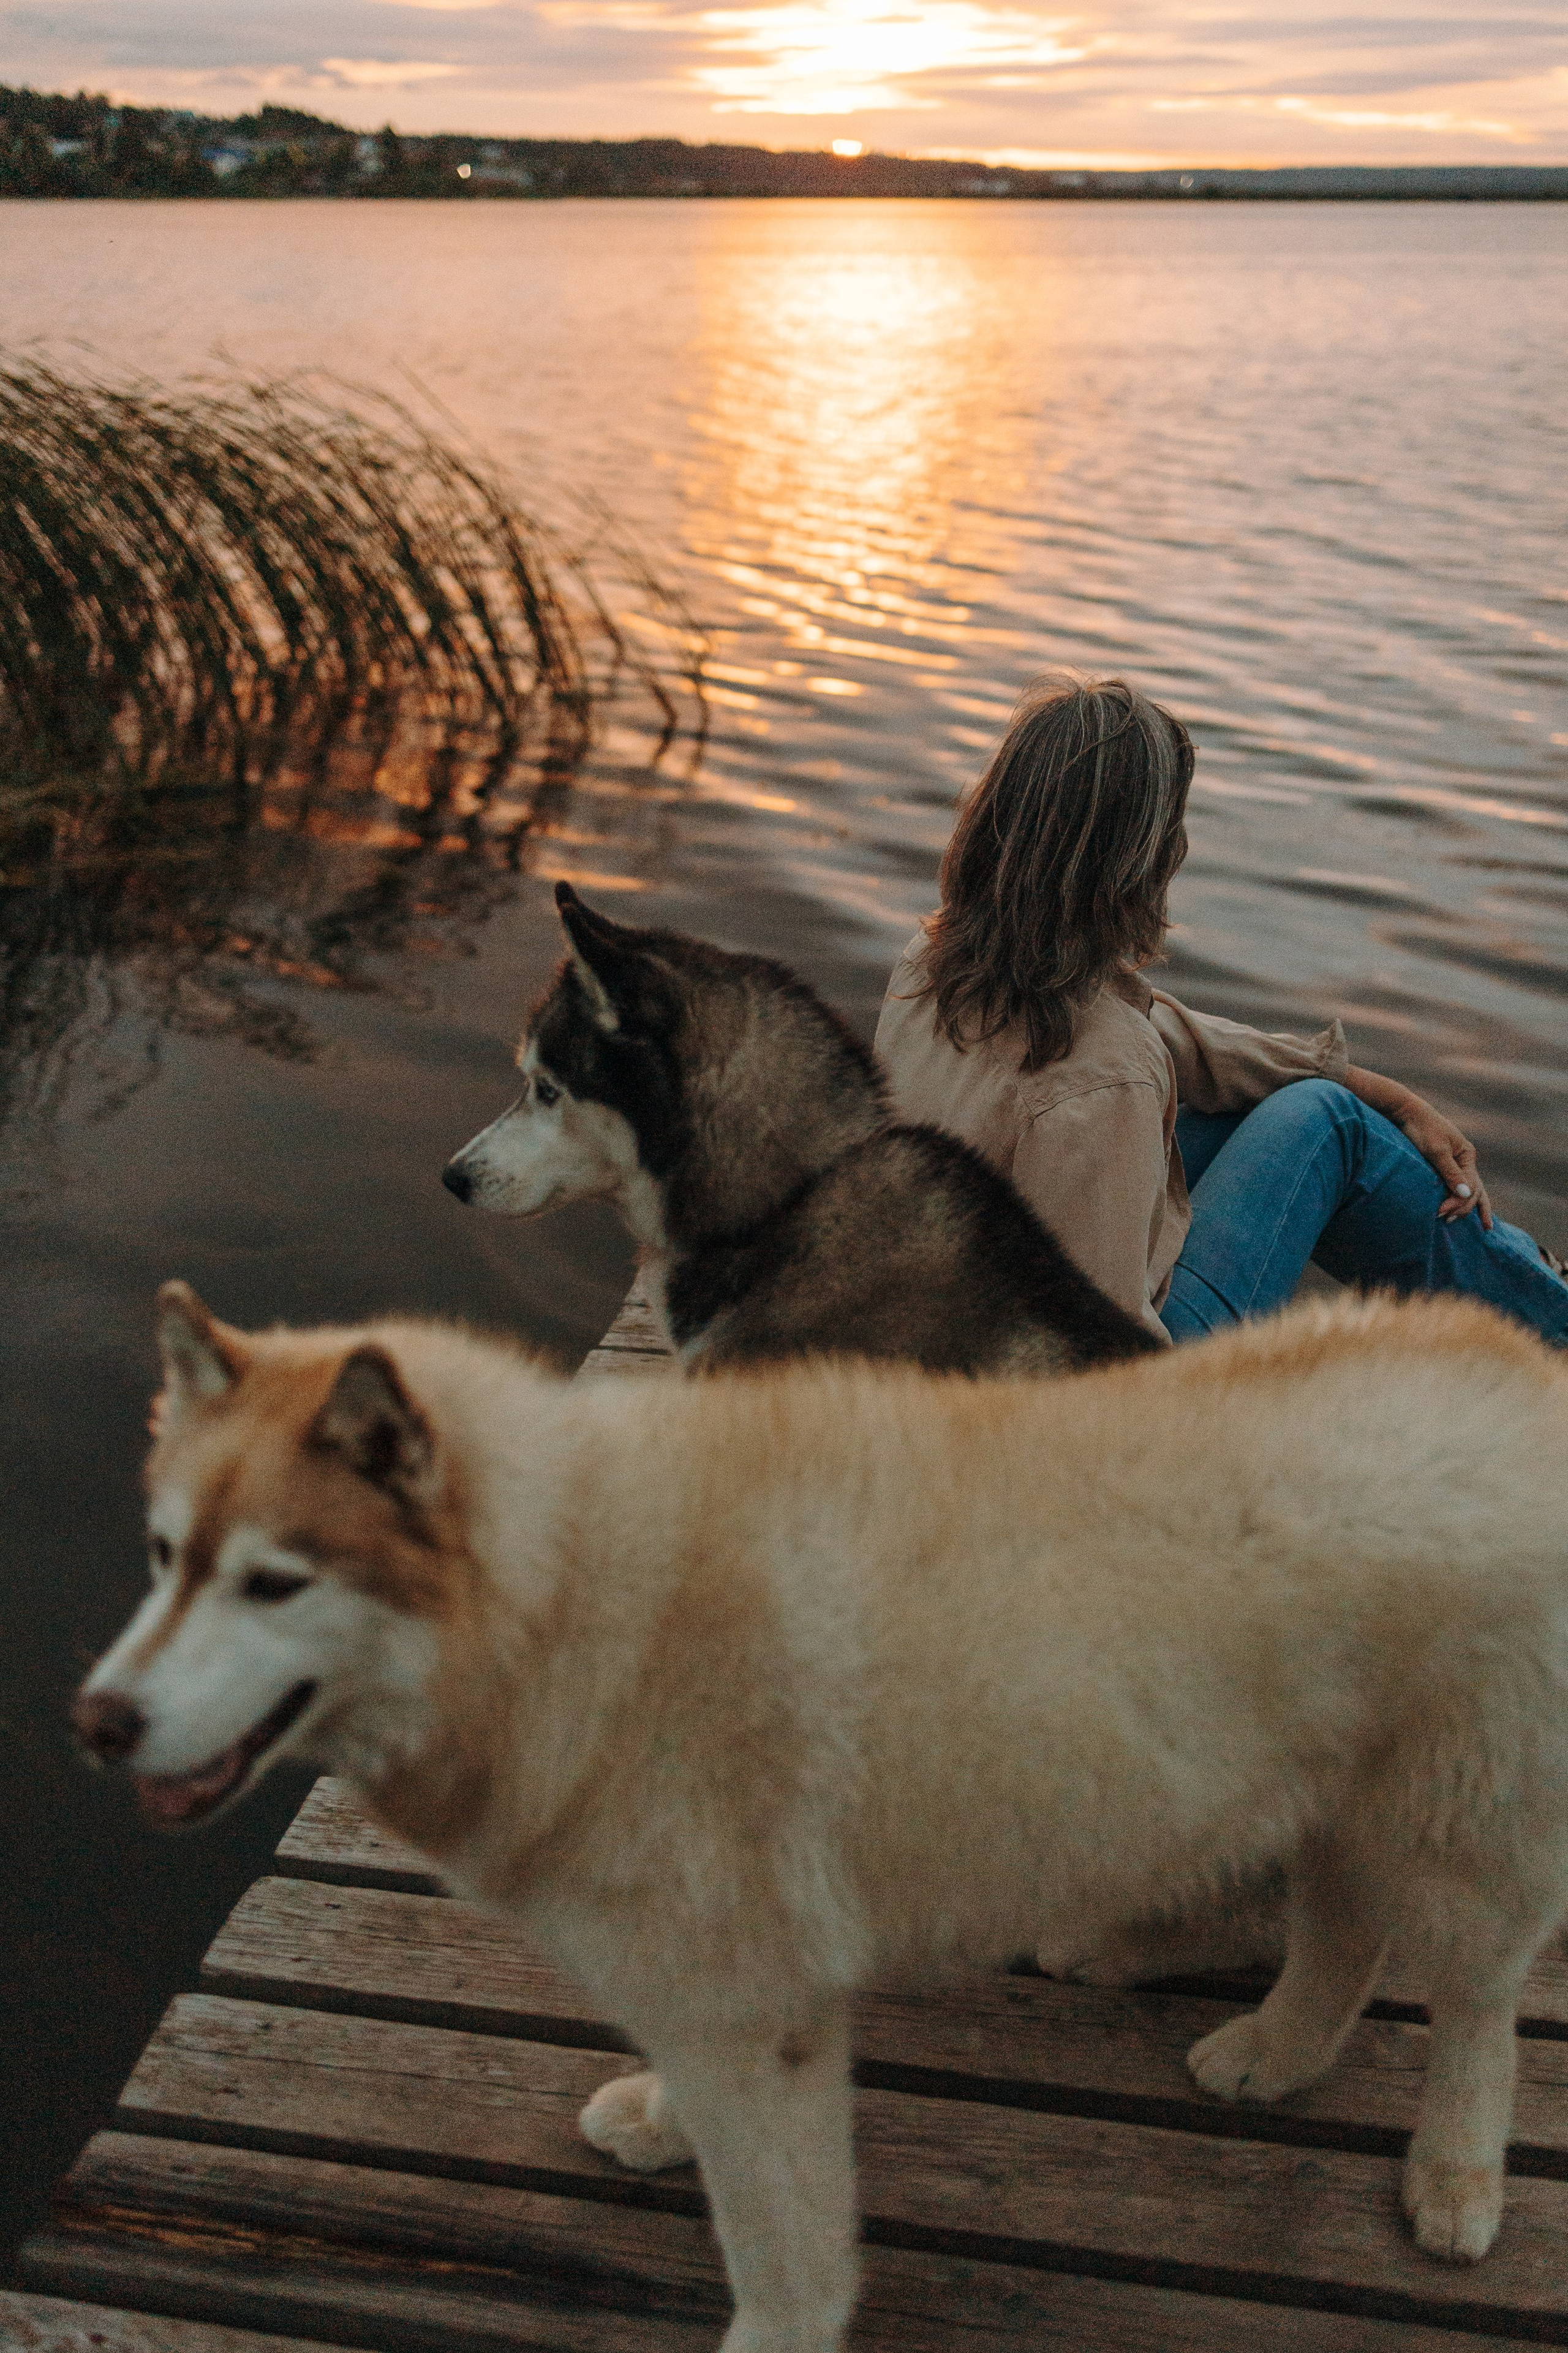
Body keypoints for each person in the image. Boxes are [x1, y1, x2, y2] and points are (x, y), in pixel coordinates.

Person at [876, 676, 1568, 1348]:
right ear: (1137, 866)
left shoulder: (929, 961)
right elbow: (1100, 1361)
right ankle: (1546, 1320)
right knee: (1327, 1124)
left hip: (944, 1301)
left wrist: (1395, 1097)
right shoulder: (1108, 1079)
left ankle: (1525, 1283)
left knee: (1277, 1100)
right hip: (1109, 1386)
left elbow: (1179, 1038)